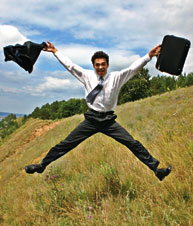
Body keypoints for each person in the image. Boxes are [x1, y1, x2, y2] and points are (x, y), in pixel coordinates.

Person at [24, 41, 172, 181]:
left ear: (107, 65)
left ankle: (156, 170)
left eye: (103, 64)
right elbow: (70, 66)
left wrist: (149, 56)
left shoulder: (117, 77)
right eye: (97, 65)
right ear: (93, 66)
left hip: (108, 121)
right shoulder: (86, 75)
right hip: (91, 120)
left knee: (133, 143)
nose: (100, 67)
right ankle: (42, 165)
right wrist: (55, 51)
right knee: (66, 144)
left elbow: (133, 68)